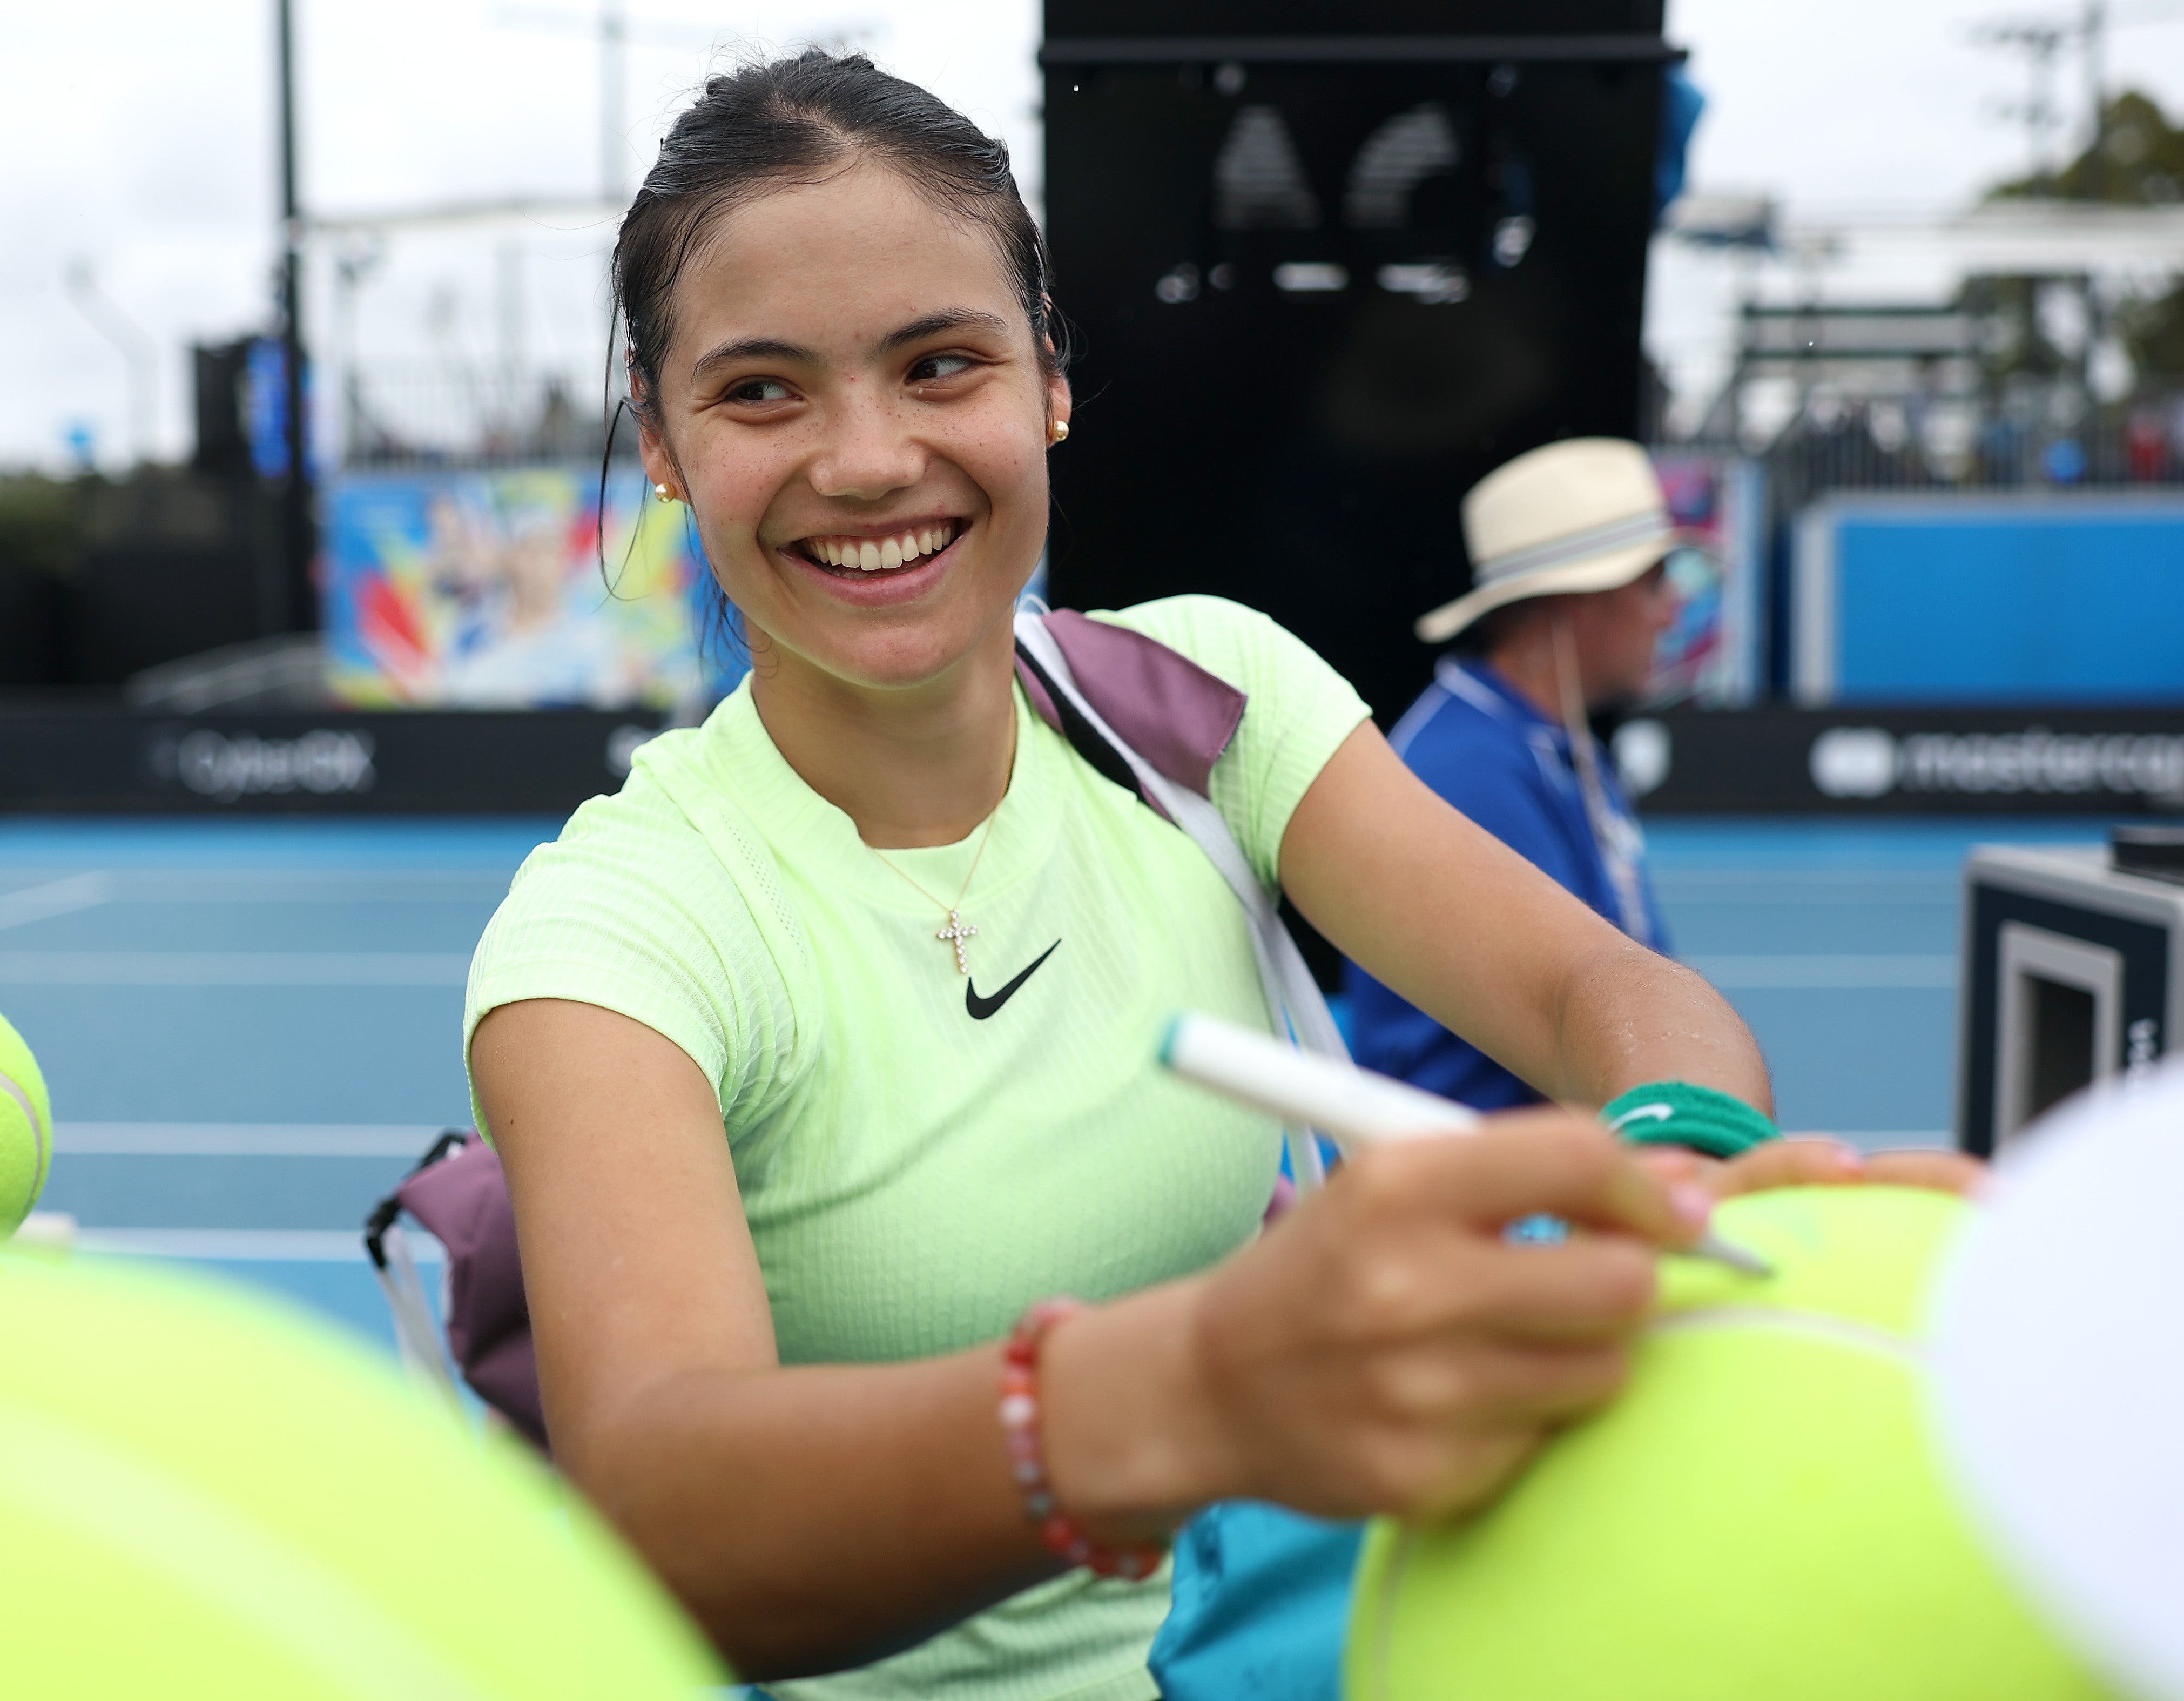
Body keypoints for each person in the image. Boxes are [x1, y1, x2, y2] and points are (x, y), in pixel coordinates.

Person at [464, 53, 1939, 1701]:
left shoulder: (1202, 695)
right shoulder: (609, 931)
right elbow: (667, 1506)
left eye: (938, 363)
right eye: (759, 391)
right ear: (659, 439)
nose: (867, 458)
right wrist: (1186, 1388)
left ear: (1049, 384)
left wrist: (1681, 1168)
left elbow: (1598, 989)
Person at [1352, 438, 1685, 1111]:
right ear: (1572, 603)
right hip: (1494, 1192)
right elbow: (1570, 1026)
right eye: (1652, 580)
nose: (1672, 607)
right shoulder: (1468, 770)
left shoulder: (1545, 742)